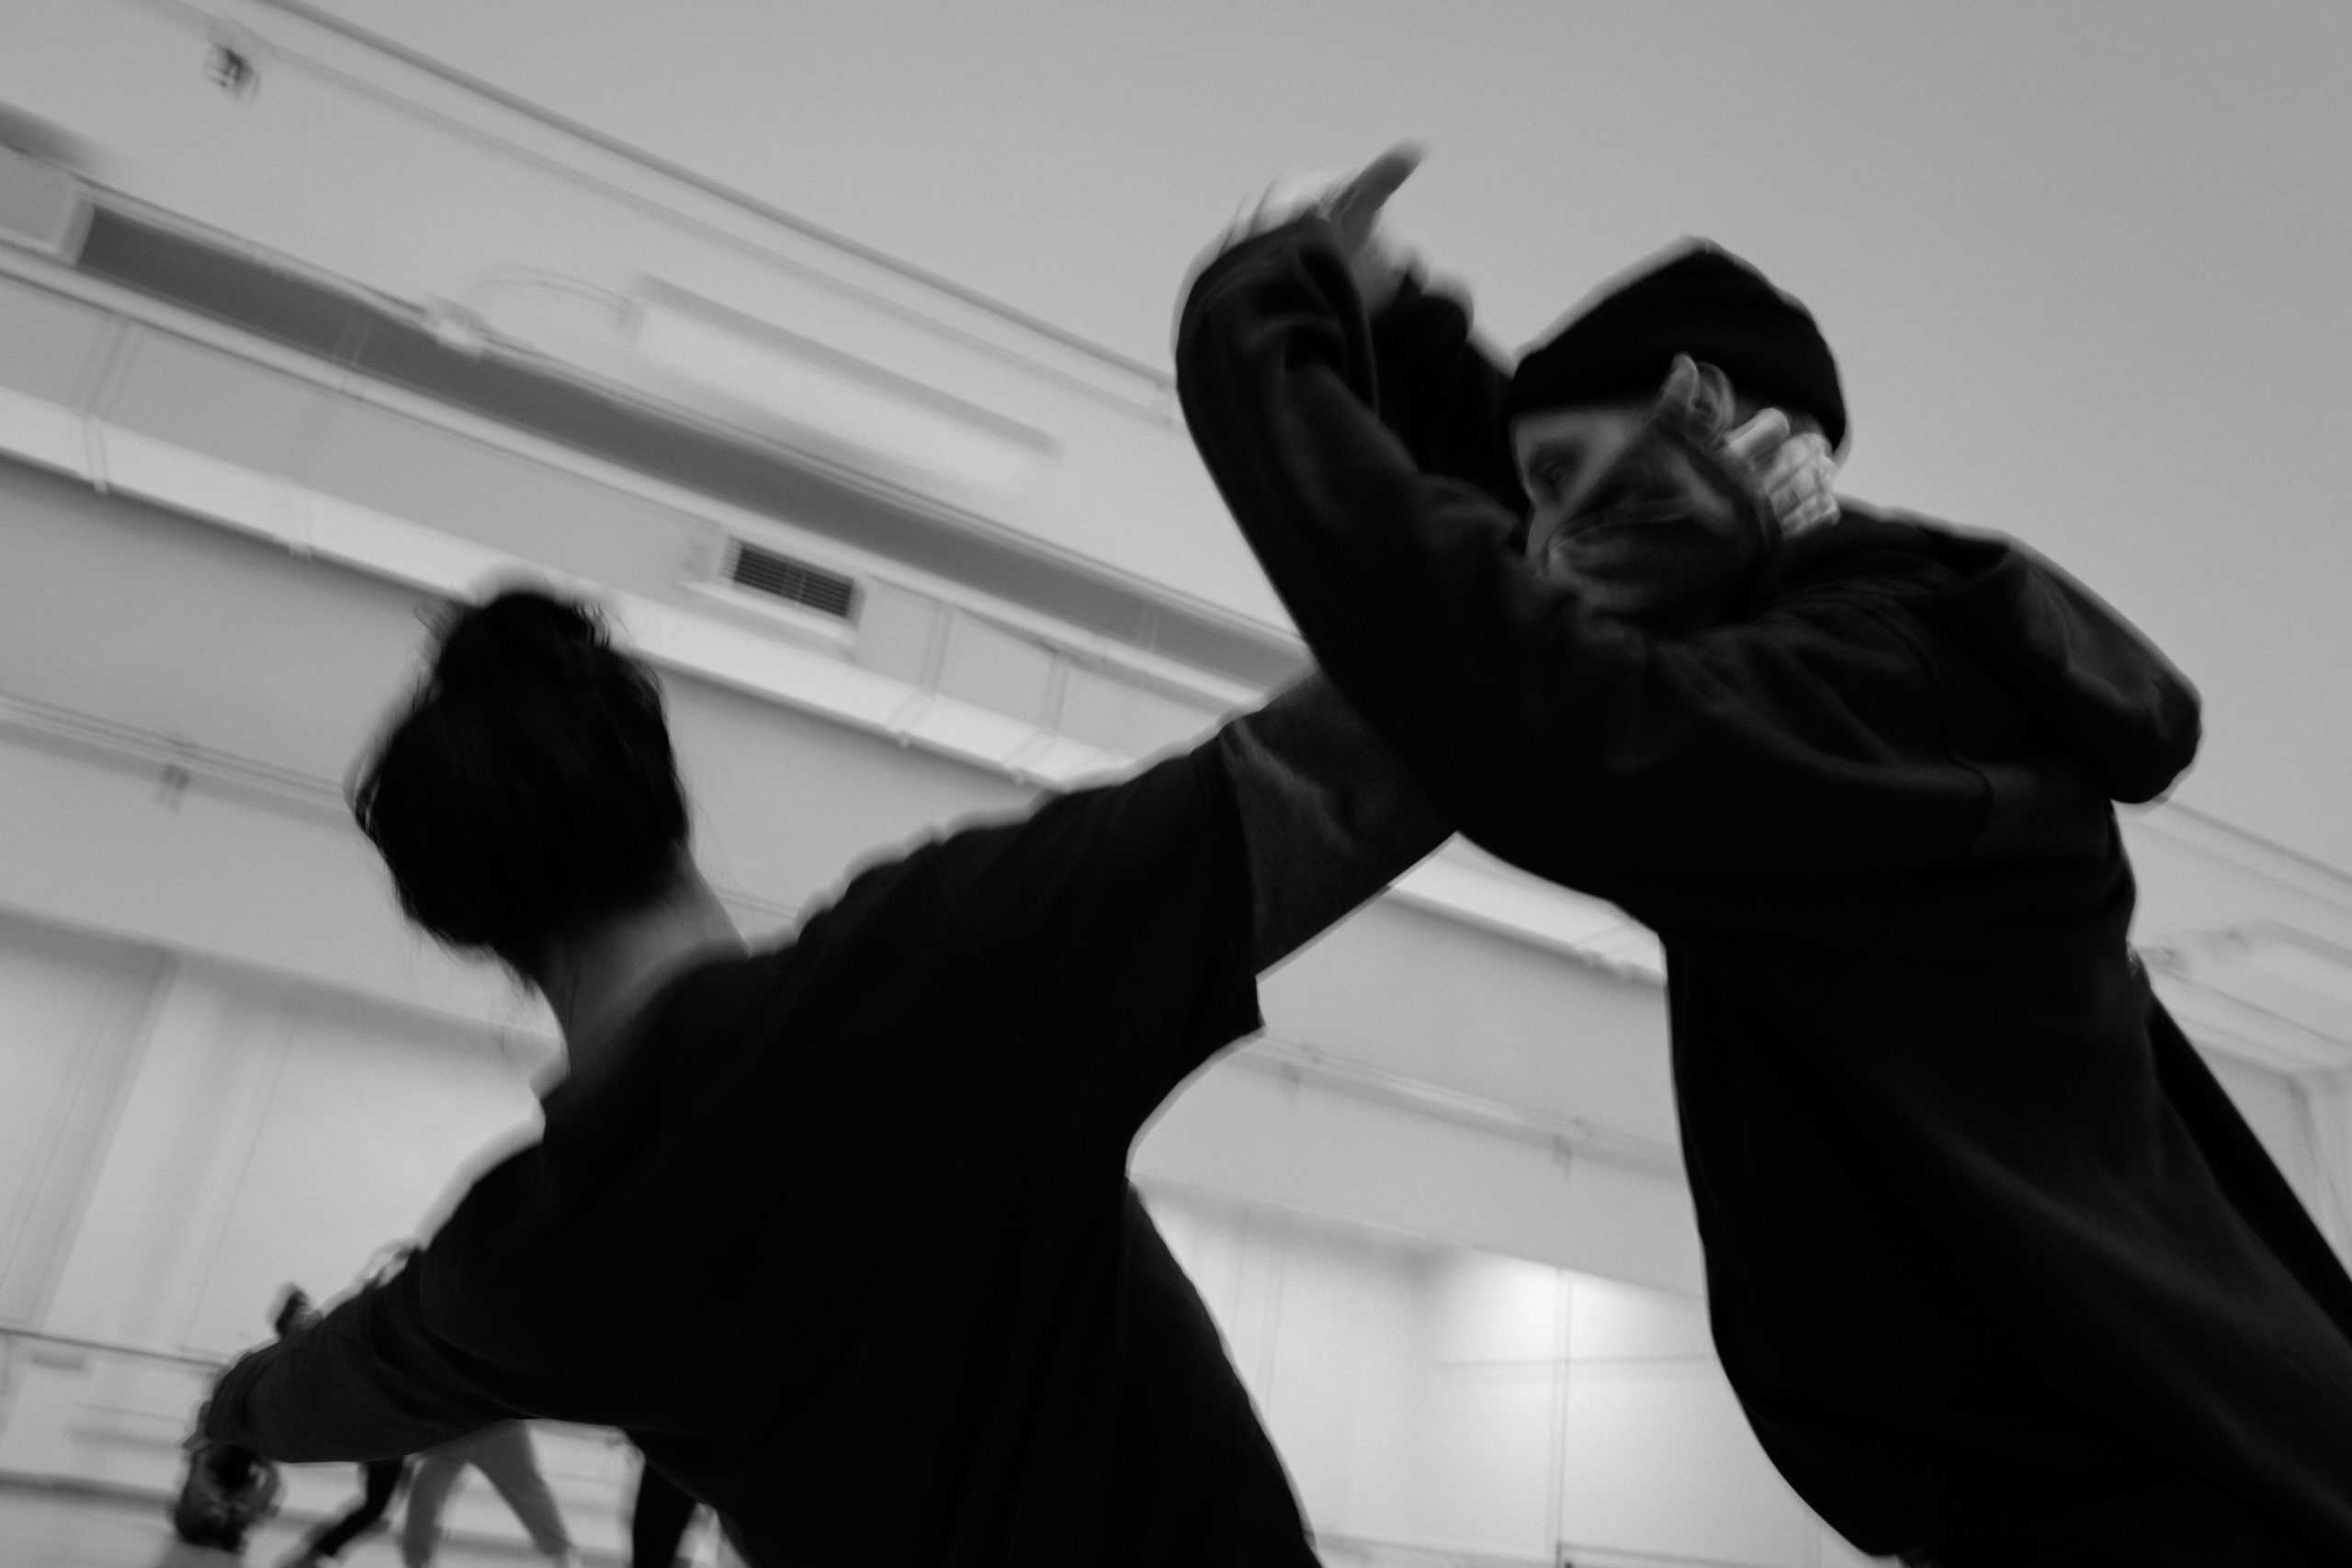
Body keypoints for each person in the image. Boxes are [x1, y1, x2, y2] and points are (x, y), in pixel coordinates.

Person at [1174, 149, 2352, 1566]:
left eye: (1559, 479)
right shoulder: (1864, 666)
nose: (1546, 541)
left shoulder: (1886, 690)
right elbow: (1604, 527)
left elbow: (1545, 704)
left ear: (1704, 405)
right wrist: (1398, 329)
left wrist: (1256, 325)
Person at [198, 586, 1448, 1566]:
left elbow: (331, 1383)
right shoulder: (935, 968)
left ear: (465, 927)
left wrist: (232, 1416)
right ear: (659, 793)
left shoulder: (527, 1254)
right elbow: (1377, 756)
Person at [400, 1420, 577, 1568]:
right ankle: (563, 1556)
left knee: (429, 1488)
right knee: (527, 1489)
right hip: (489, 1420)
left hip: (462, 1421)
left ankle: (417, 1559)